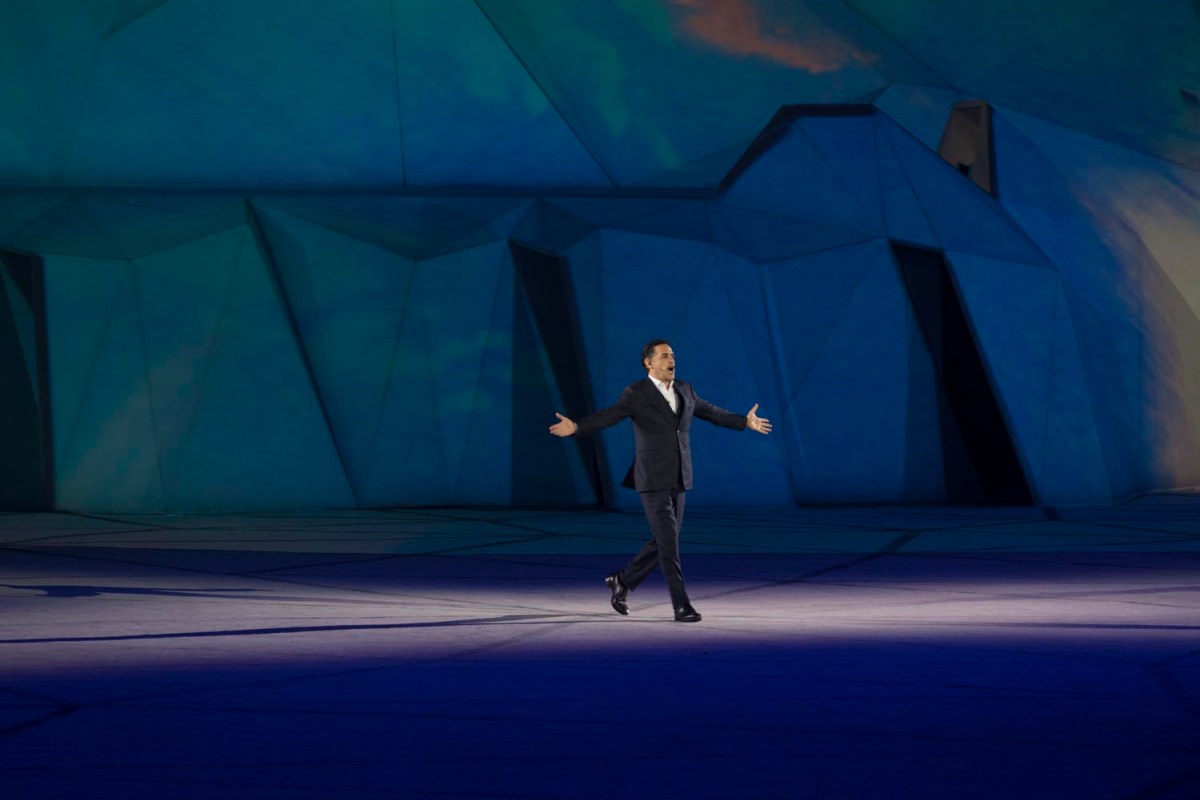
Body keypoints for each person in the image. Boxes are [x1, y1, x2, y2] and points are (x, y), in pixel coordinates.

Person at [548, 339, 772, 622]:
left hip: (680, 475)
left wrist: (744, 421)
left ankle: (623, 580)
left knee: (666, 540)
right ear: (649, 363)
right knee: (669, 545)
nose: (671, 360)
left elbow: (711, 412)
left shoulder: (685, 389)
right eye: (665, 356)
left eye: (673, 355)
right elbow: (610, 416)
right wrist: (577, 427)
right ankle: (681, 605)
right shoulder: (636, 392)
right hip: (652, 477)